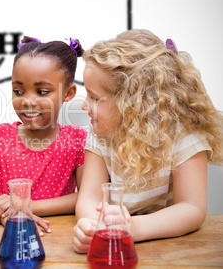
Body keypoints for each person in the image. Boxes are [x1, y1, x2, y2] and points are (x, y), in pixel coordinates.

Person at [73, 29, 223, 253]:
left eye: (94, 97)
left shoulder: (185, 136)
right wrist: (92, 225)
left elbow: (192, 208)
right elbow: (89, 197)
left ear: (133, 102)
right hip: (114, 243)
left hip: (169, 249)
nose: (85, 105)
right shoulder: (99, 134)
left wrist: (133, 228)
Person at [0, 36, 88, 234]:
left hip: (57, 237)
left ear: (68, 93)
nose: (27, 101)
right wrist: (9, 214)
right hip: (4, 237)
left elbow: (86, 196)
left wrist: (22, 206)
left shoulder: (77, 141)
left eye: (42, 92)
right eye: (18, 91)